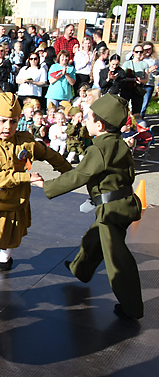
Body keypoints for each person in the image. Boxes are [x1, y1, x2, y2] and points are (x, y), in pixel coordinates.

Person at [33, 94, 143, 320]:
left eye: (88, 119)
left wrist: (46, 185)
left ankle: (132, 307)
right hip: (123, 204)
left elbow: (80, 175)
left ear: (100, 125)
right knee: (93, 239)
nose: (85, 122)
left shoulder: (98, 150)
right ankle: (80, 269)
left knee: (118, 262)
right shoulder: (117, 142)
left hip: (111, 211)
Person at [0, 92, 72, 291]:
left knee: (11, 231)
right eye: (2, 121)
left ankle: (4, 260)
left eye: (13, 121)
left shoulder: (25, 140)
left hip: (17, 198)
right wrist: (27, 178)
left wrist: (69, 172)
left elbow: (48, 153)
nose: (7, 127)